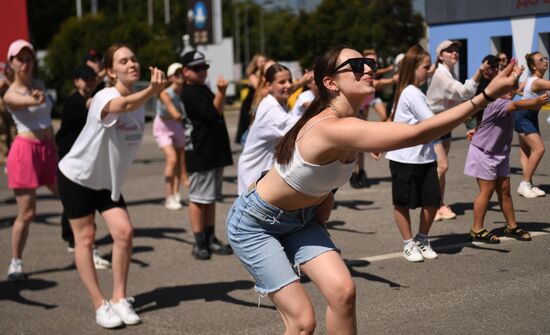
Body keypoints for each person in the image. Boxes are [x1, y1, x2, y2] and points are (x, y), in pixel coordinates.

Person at [226, 46, 521, 334]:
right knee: (302, 322)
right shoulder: (331, 127)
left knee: (343, 292)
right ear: (330, 83)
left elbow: (324, 185)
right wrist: (485, 95)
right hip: (256, 225)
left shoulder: (349, 124)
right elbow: (419, 132)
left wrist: (318, 221)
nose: (367, 69)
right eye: (355, 66)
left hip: (302, 219)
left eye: (368, 63)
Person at [57, 43, 167, 328]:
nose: (132, 64)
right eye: (123, 61)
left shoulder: (138, 106)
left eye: (134, 59)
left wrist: (149, 95)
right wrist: (153, 92)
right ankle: (100, 304)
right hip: (77, 177)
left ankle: (119, 297)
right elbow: (123, 105)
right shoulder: (104, 96)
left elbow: (131, 110)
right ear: (110, 71)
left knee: (124, 232)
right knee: (86, 238)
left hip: (106, 183)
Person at [3, 39, 58, 282]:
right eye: (20, 59)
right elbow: (24, 102)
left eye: (29, 59)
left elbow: (45, 118)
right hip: (25, 153)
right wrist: (34, 99)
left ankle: (81, 243)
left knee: (70, 196)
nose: (25, 64)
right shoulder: (10, 94)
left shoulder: (39, 84)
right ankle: (16, 262)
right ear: (11, 63)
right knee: (27, 213)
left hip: (48, 150)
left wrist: (56, 150)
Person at [466, 89, 548, 243]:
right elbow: (516, 105)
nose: (510, 90)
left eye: (512, 87)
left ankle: (511, 226)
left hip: (500, 153)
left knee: (504, 190)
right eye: (506, 88)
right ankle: (476, 229)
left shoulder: (505, 101)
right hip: (484, 153)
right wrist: (536, 101)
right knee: (487, 191)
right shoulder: (497, 102)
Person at [385, 45, 440, 262]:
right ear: (413, 67)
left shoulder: (410, 91)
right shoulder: (411, 92)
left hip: (425, 157)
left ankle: (422, 238)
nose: (430, 70)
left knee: (432, 202)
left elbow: (393, 119)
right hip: (404, 158)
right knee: (402, 203)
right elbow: (431, 123)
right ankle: (408, 243)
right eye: (426, 67)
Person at [55, 64, 110, 270]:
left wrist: (103, 75)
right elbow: (92, 104)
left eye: (92, 79)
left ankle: (71, 236)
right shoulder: (75, 100)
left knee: (75, 201)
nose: (90, 83)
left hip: (82, 156)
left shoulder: (92, 93)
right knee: (77, 201)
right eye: (85, 80)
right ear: (76, 81)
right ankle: (72, 238)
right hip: (70, 154)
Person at [180, 50, 233, 260]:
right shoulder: (190, 92)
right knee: (198, 199)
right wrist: (221, 92)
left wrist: (217, 92)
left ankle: (210, 237)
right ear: (185, 72)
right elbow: (212, 113)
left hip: (213, 151)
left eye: (205, 67)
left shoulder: (202, 89)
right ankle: (199, 240)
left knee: (209, 198)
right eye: (197, 68)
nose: (203, 71)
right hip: (200, 153)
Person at [426, 40, 483, 221]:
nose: (454, 53)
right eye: (449, 50)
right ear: (440, 55)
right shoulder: (441, 76)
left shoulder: (448, 73)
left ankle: (439, 204)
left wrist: (469, 126)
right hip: (433, 125)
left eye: (456, 50)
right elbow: (464, 93)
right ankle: (431, 206)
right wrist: (479, 73)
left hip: (444, 125)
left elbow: (458, 103)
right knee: (441, 166)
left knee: (439, 169)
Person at [237, 64, 298, 194]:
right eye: (282, 82)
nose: (288, 85)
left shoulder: (277, 104)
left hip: (264, 171)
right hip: (254, 172)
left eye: (290, 80)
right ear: (269, 85)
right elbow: (298, 125)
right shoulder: (271, 110)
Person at [153, 62, 189, 210]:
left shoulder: (184, 91)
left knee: (180, 158)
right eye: (176, 73)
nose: (180, 76)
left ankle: (175, 193)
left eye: (182, 73)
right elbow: (174, 113)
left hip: (177, 126)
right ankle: (168, 196)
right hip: (163, 126)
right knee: (172, 158)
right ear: (170, 77)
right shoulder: (165, 93)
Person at [514, 52, 550, 198]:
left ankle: (528, 184)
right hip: (524, 117)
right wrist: (532, 99)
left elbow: (518, 90)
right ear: (534, 66)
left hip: (528, 115)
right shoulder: (537, 81)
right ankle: (525, 183)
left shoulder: (530, 79)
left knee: (525, 150)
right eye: (541, 60)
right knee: (539, 149)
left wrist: (528, 97)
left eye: (545, 58)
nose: (545, 61)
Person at [236, 54, 267, 143]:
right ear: (255, 63)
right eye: (260, 61)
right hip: (250, 104)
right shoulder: (253, 75)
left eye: (264, 61)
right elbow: (258, 88)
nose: (263, 63)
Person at [465, 55, 500, 133]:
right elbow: (467, 97)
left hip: (490, 119)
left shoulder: (496, 81)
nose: (497, 69)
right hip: (475, 119)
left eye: (497, 66)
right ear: (486, 68)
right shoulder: (477, 81)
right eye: (493, 67)